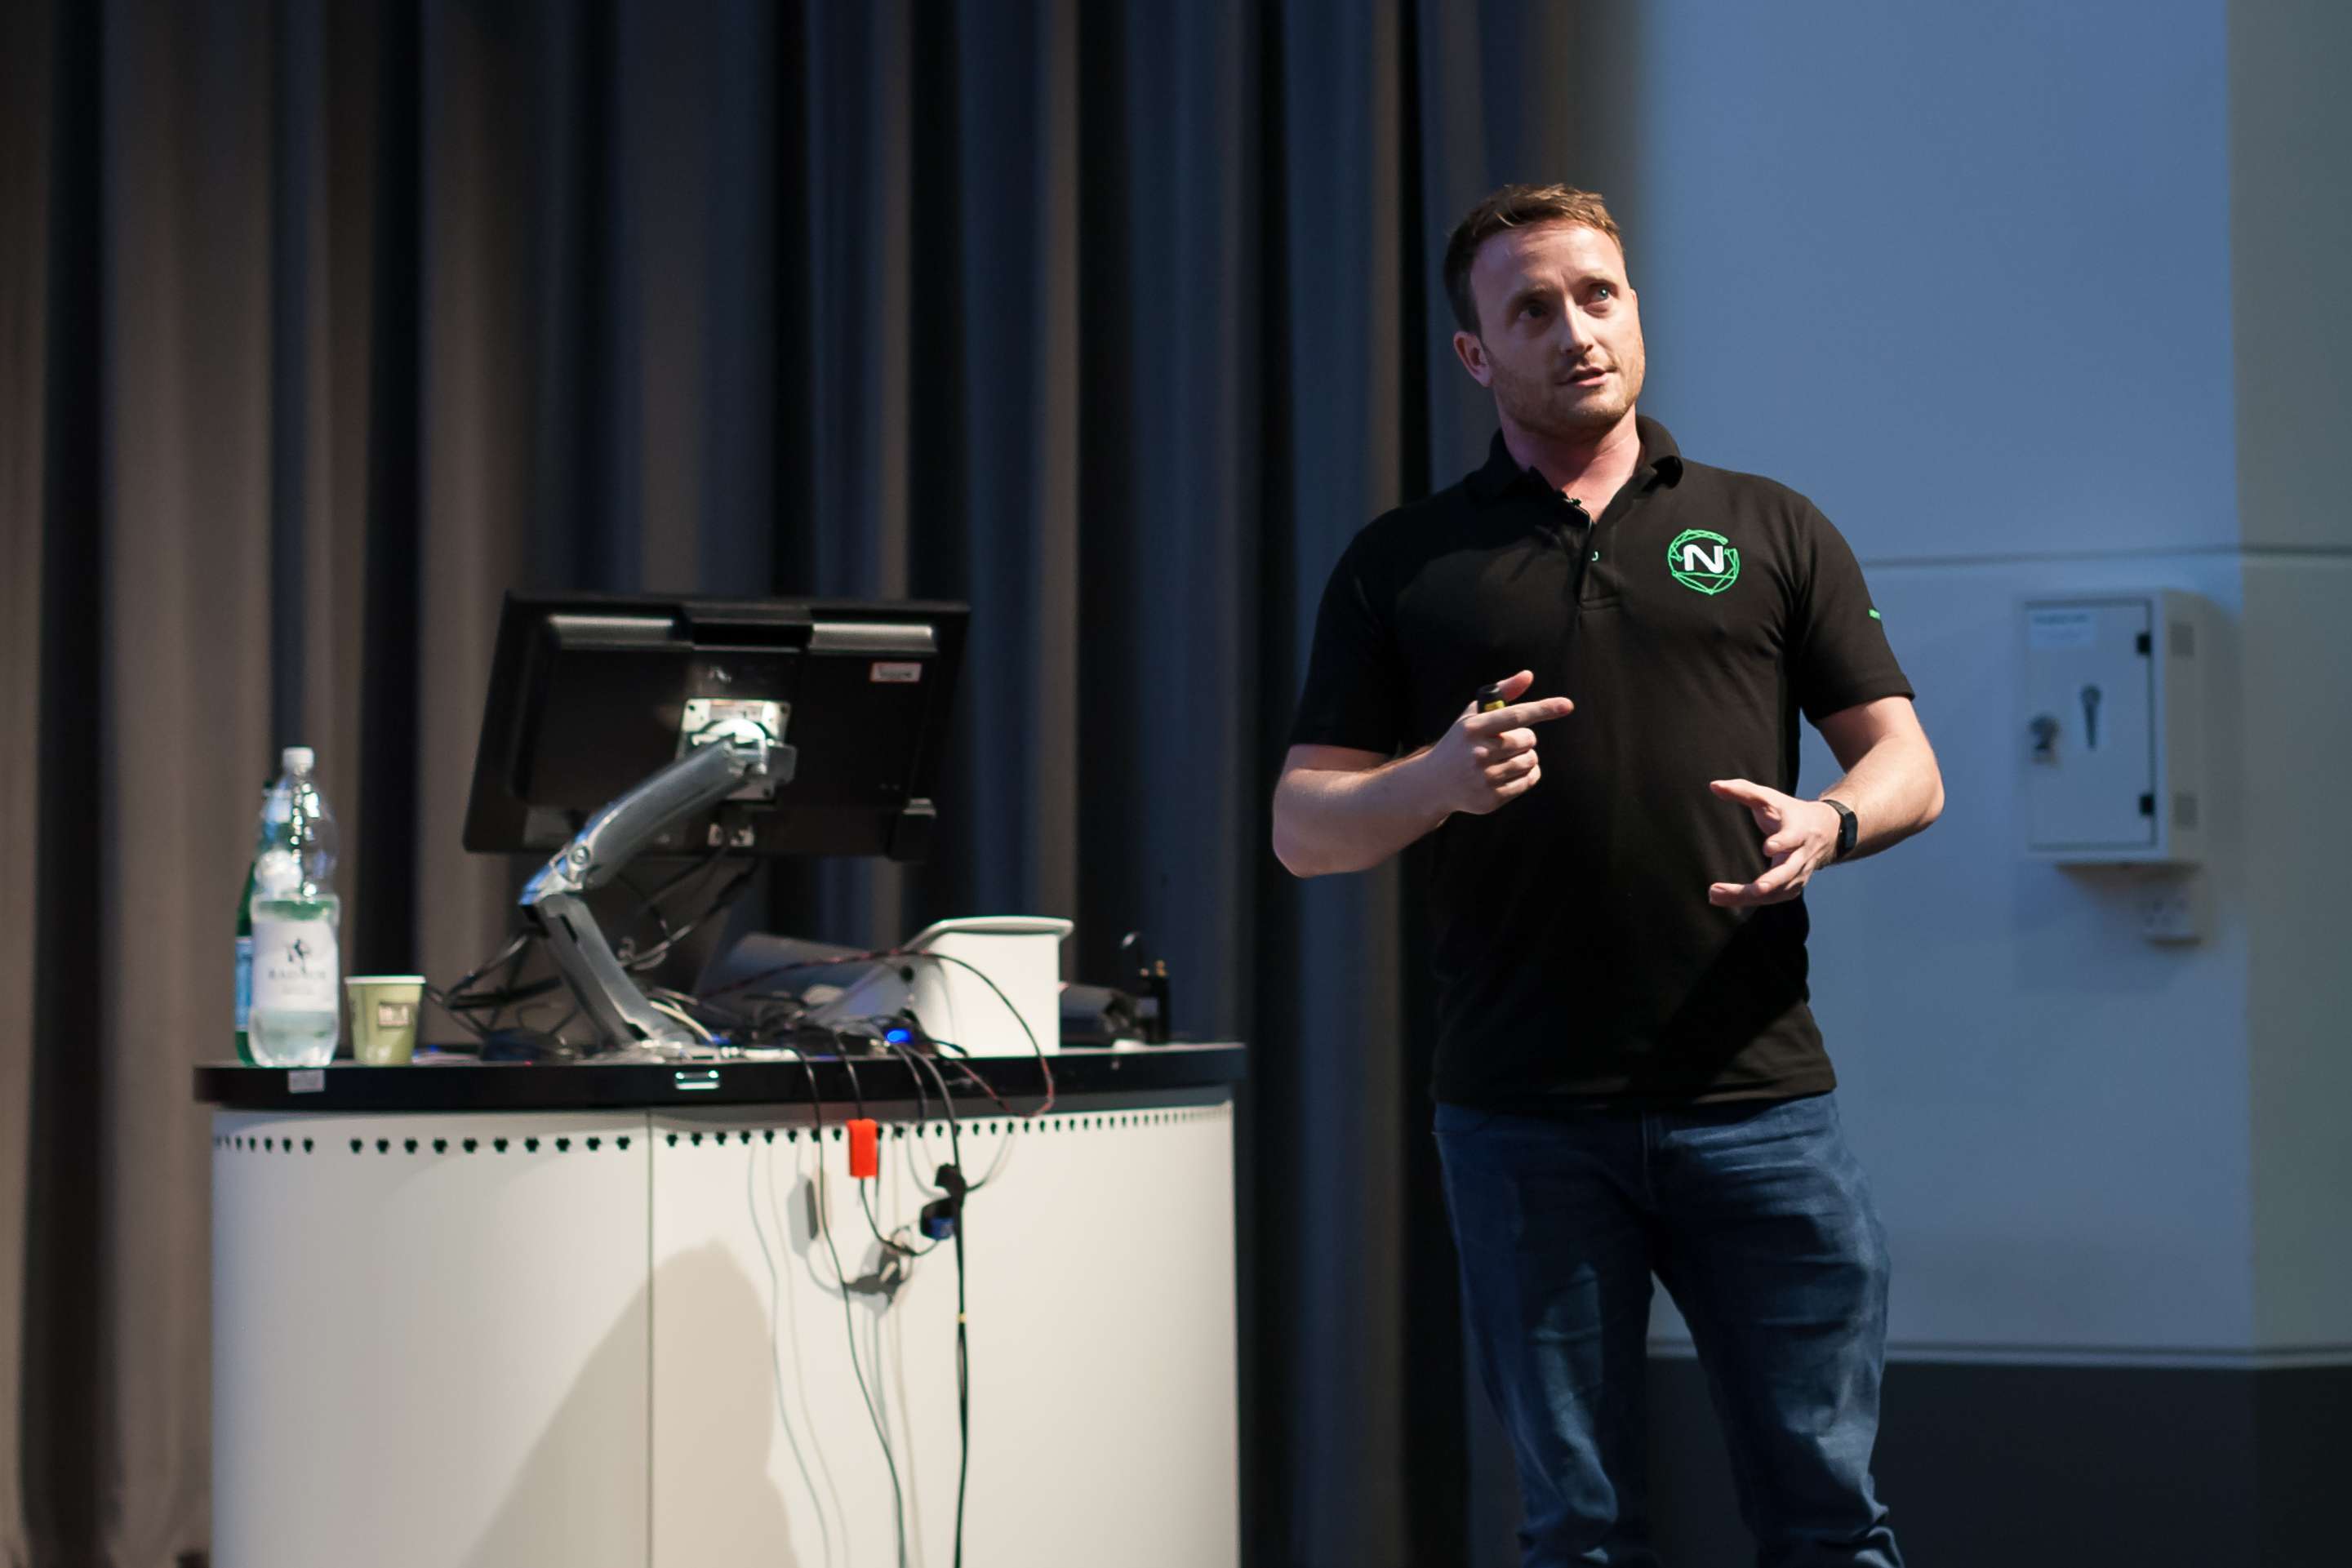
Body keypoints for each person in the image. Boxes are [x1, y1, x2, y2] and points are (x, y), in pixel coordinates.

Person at [1272, 184, 1943, 1566]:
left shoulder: (1770, 525)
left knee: (1828, 1516)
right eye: (1532, 310)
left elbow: (1906, 765)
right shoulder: (1405, 563)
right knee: (1576, 1531)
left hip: (1758, 1101)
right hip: (1523, 1117)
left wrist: (1828, 824)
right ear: (1475, 354)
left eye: (1599, 296)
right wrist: (1434, 779)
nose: (1577, 330)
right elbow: (1302, 826)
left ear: (1635, 310)